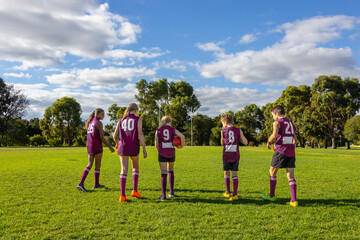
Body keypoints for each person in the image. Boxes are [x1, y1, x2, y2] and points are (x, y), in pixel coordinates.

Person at [261, 105, 298, 207]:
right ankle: (294, 201)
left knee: (272, 172)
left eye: (273, 115)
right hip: (291, 152)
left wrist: (268, 141)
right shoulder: (291, 124)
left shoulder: (277, 123)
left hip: (281, 151)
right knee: (291, 176)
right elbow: (295, 140)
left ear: (277, 113)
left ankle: (272, 195)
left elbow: (274, 135)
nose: (273, 117)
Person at [113, 103, 147, 202]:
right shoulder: (138, 119)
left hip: (123, 147)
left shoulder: (121, 119)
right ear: (136, 110)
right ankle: (134, 191)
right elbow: (140, 134)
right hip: (134, 146)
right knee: (135, 168)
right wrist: (144, 149)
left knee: (123, 169)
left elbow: (115, 135)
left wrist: (117, 144)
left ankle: (122, 195)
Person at [77, 108, 115, 192]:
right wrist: (110, 147)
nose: (103, 116)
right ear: (97, 115)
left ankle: (86, 183)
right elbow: (102, 138)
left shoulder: (91, 122)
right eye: (102, 114)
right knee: (97, 165)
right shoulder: (99, 123)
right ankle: (85, 184)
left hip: (89, 146)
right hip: (97, 146)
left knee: (89, 164)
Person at [155, 116, 185, 201]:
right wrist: (181, 146)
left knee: (163, 173)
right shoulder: (172, 129)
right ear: (170, 121)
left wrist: (159, 152)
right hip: (171, 152)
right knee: (171, 171)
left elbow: (156, 144)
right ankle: (171, 192)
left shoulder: (158, 130)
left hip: (162, 153)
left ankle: (163, 195)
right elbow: (182, 136)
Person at [221, 113, 248, 201]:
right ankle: (235, 194)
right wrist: (240, 135)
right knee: (234, 174)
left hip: (226, 154)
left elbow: (222, 143)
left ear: (225, 122)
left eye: (222, 123)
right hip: (235, 154)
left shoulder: (223, 131)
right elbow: (245, 142)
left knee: (226, 173)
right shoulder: (238, 130)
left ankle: (228, 192)